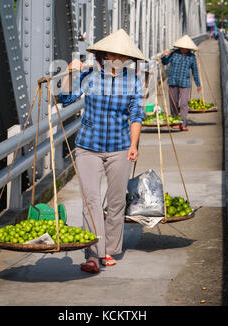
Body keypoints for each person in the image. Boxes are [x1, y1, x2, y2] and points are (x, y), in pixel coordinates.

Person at [60, 29, 146, 274]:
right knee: (91, 201)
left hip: (119, 147)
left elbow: (136, 114)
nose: (119, 59)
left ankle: (108, 249)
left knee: (117, 201)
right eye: (114, 54)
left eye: (124, 56)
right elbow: (67, 99)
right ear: (103, 54)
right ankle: (92, 254)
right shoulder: (90, 75)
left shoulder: (133, 80)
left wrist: (133, 145)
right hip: (89, 147)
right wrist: (69, 71)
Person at [161, 35, 202, 132]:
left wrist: (198, 84)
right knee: (173, 103)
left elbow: (195, 71)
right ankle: (175, 122)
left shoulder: (192, 57)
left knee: (184, 103)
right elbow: (165, 62)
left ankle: (183, 123)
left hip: (185, 82)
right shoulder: (174, 54)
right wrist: (164, 56)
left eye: (186, 48)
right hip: (173, 81)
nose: (184, 49)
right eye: (182, 47)